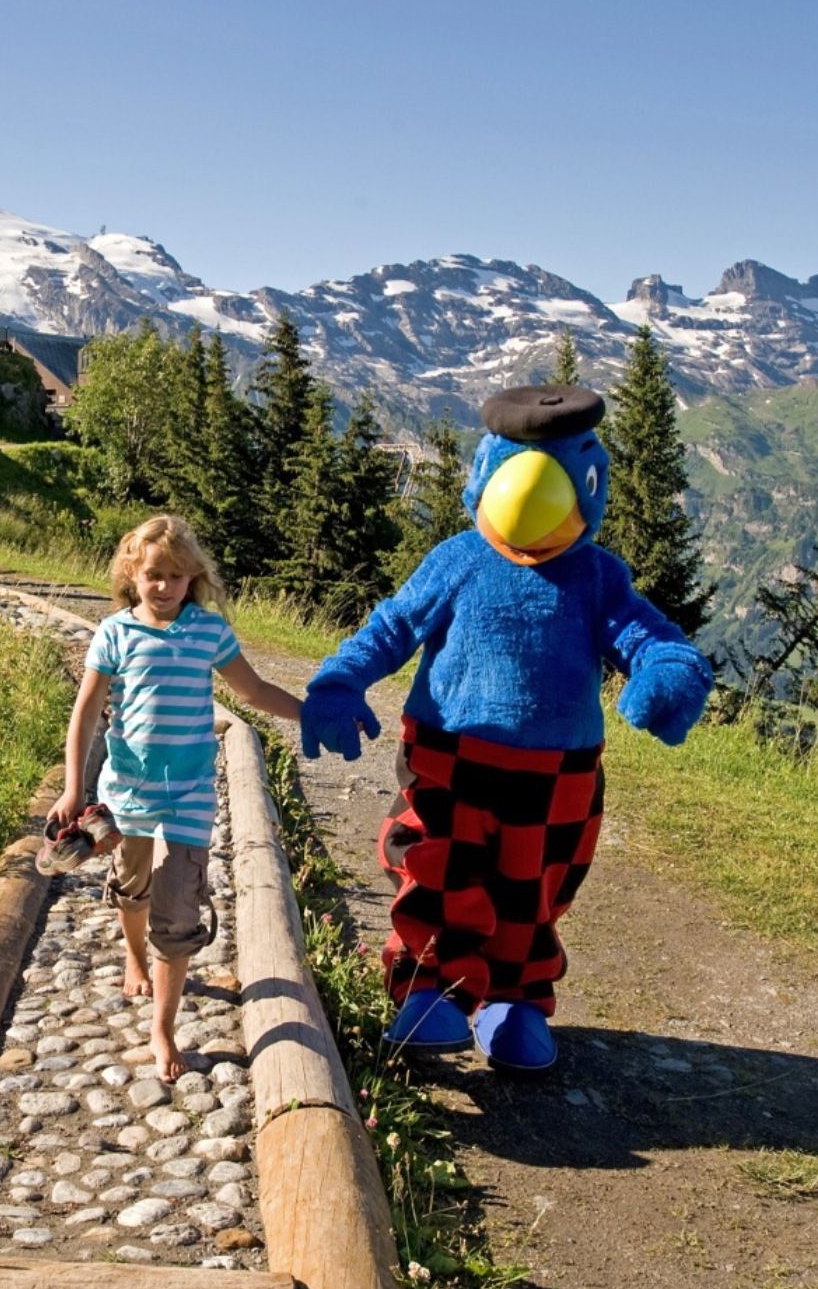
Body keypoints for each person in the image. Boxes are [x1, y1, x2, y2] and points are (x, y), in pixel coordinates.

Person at [300, 385, 711, 1074]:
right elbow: (394, 623)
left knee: (533, 887)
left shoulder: (597, 577)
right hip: (447, 757)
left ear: (590, 481)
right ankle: (430, 987)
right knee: (437, 872)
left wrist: (667, 675)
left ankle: (514, 1001)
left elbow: (651, 638)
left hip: (555, 776)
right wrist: (340, 679)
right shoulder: (458, 560)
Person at [48, 515, 303, 1081]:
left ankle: (163, 1029)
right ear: (131, 576)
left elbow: (253, 689)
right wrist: (73, 788)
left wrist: (310, 716)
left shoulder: (208, 631)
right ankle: (134, 953)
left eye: (175, 576)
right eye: (152, 575)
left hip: (189, 792)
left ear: (193, 578)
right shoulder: (115, 632)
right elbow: (87, 711)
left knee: (178, 907)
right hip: (127, 791)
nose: (163, 586)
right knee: (130, 885)